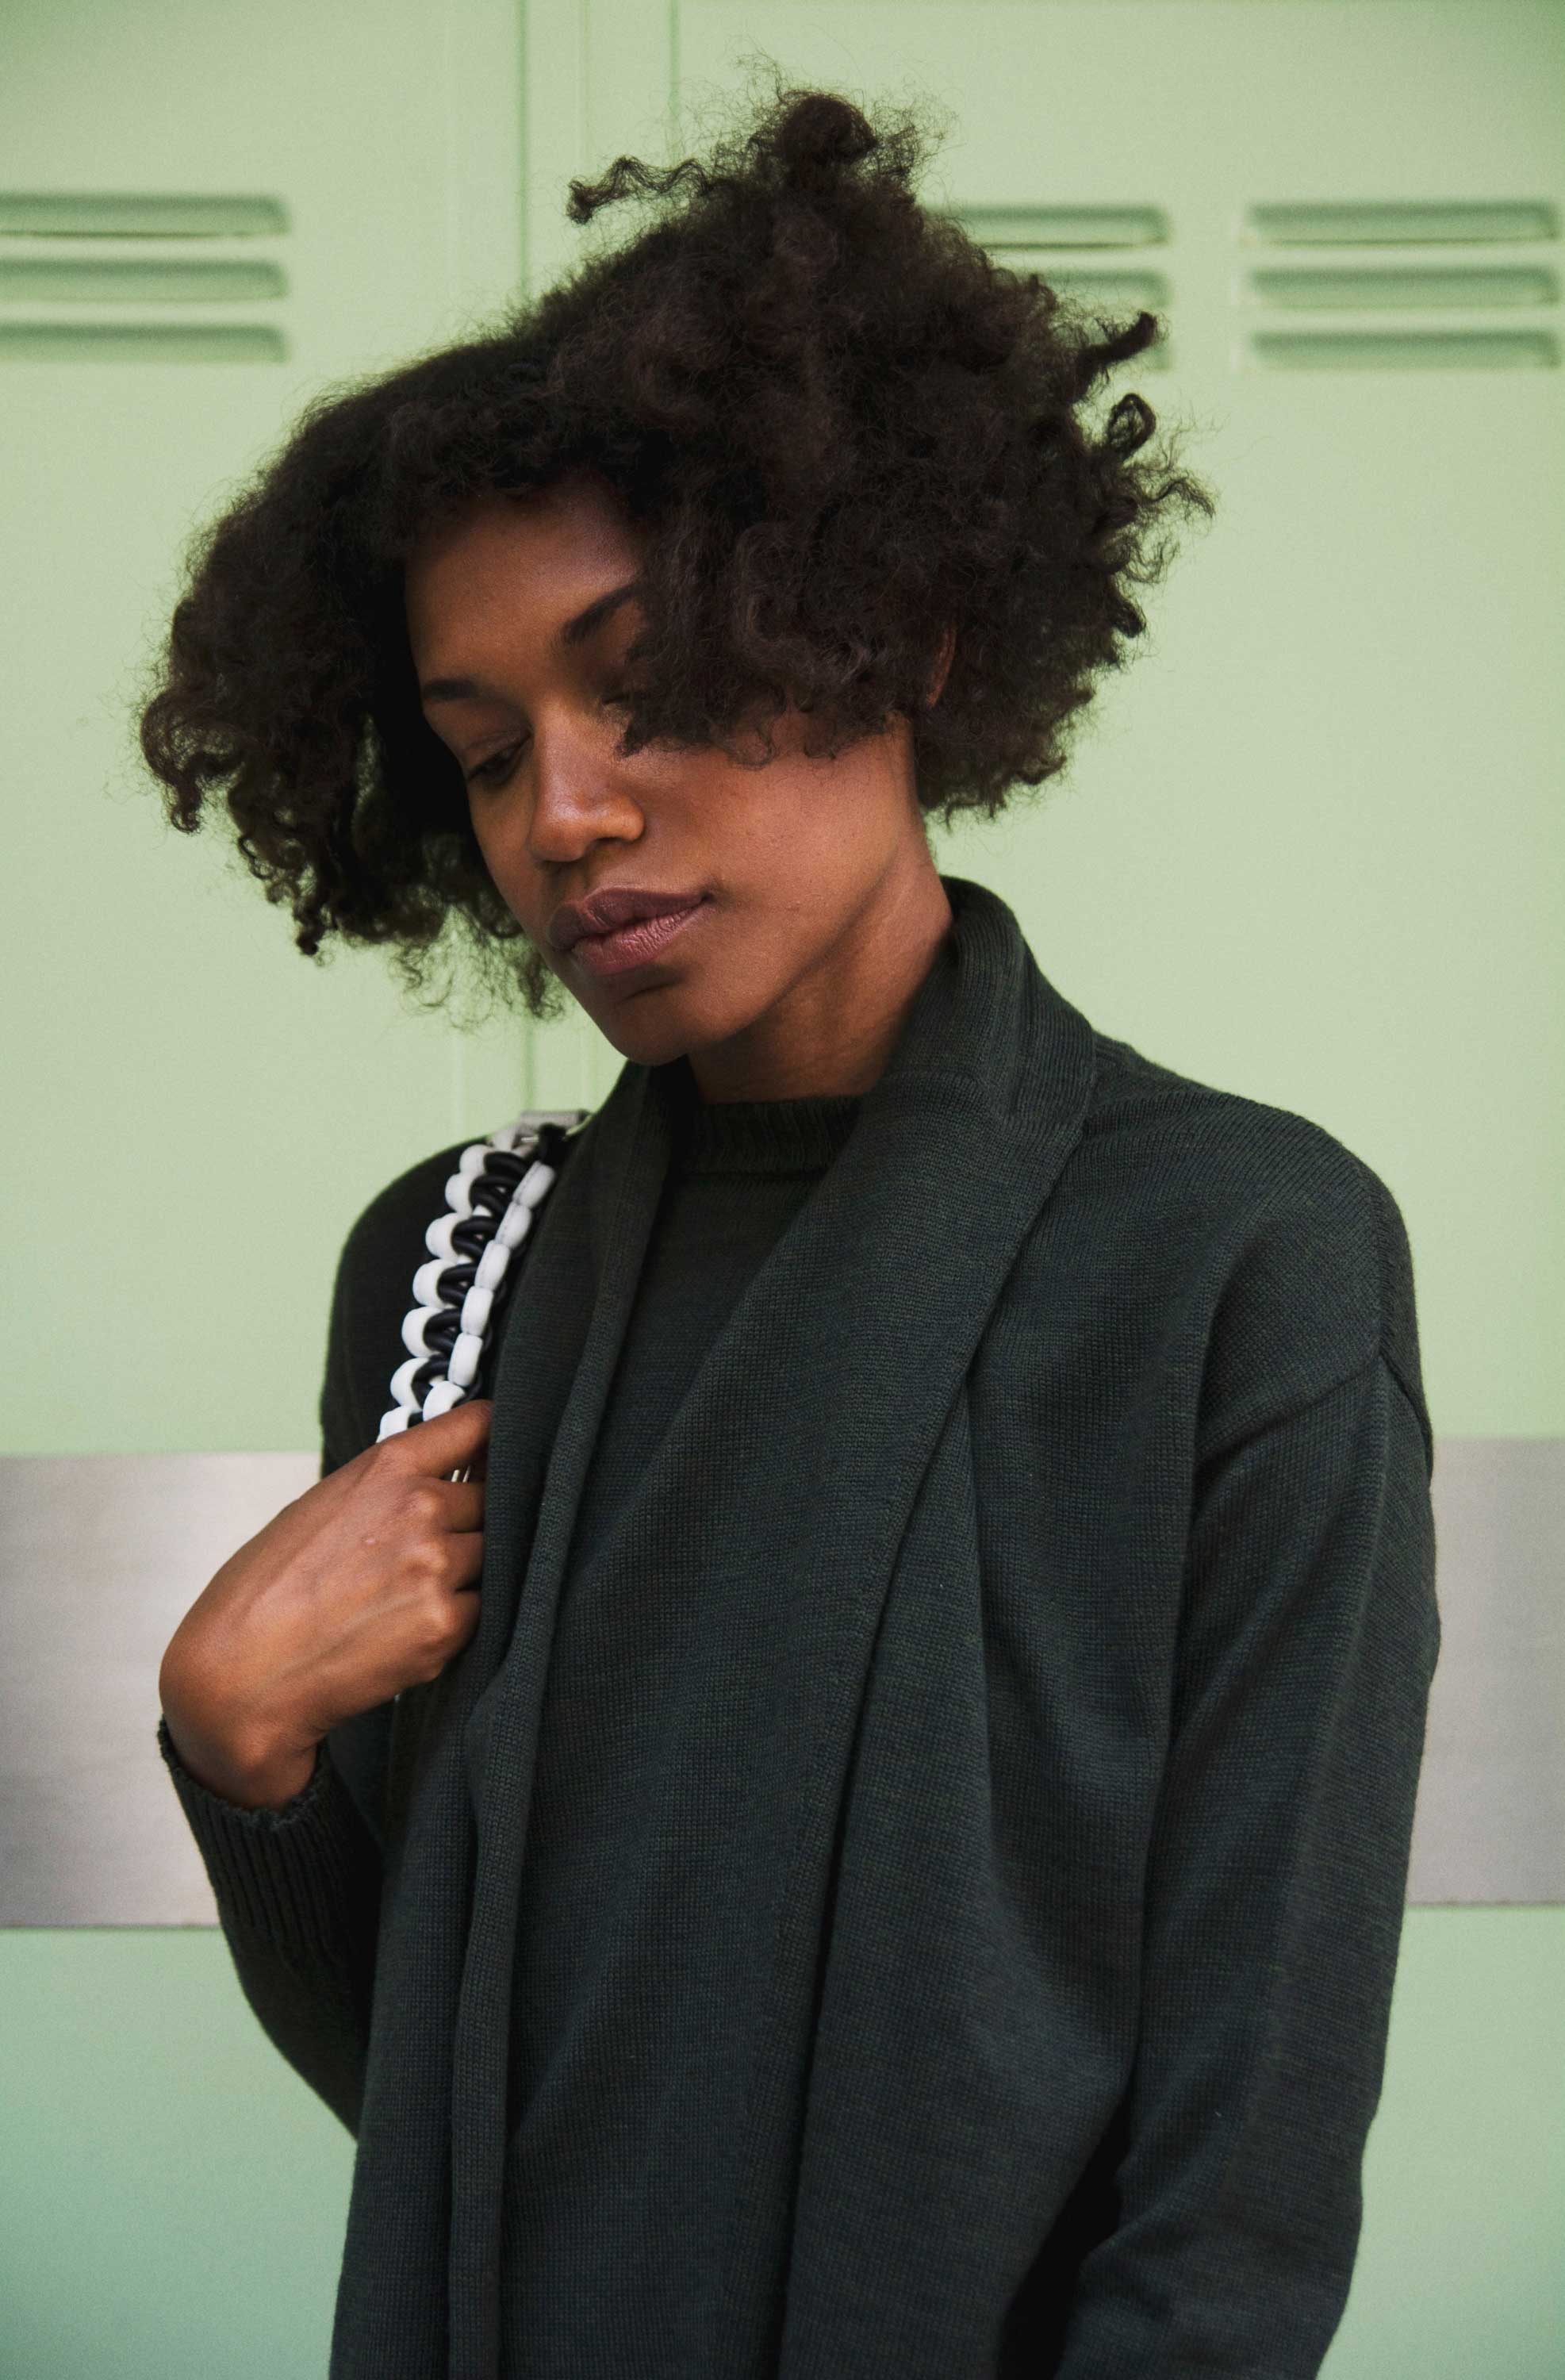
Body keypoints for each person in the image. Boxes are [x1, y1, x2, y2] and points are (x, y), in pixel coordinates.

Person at [139, 75, 1440, 2380]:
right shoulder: (457, 1264)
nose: (562, 814)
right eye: (476, 741)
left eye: (645, 687)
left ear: (909, 638)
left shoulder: (1236, 1257)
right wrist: (238, 1759)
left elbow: (1232, 2206)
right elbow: (454, 2115)